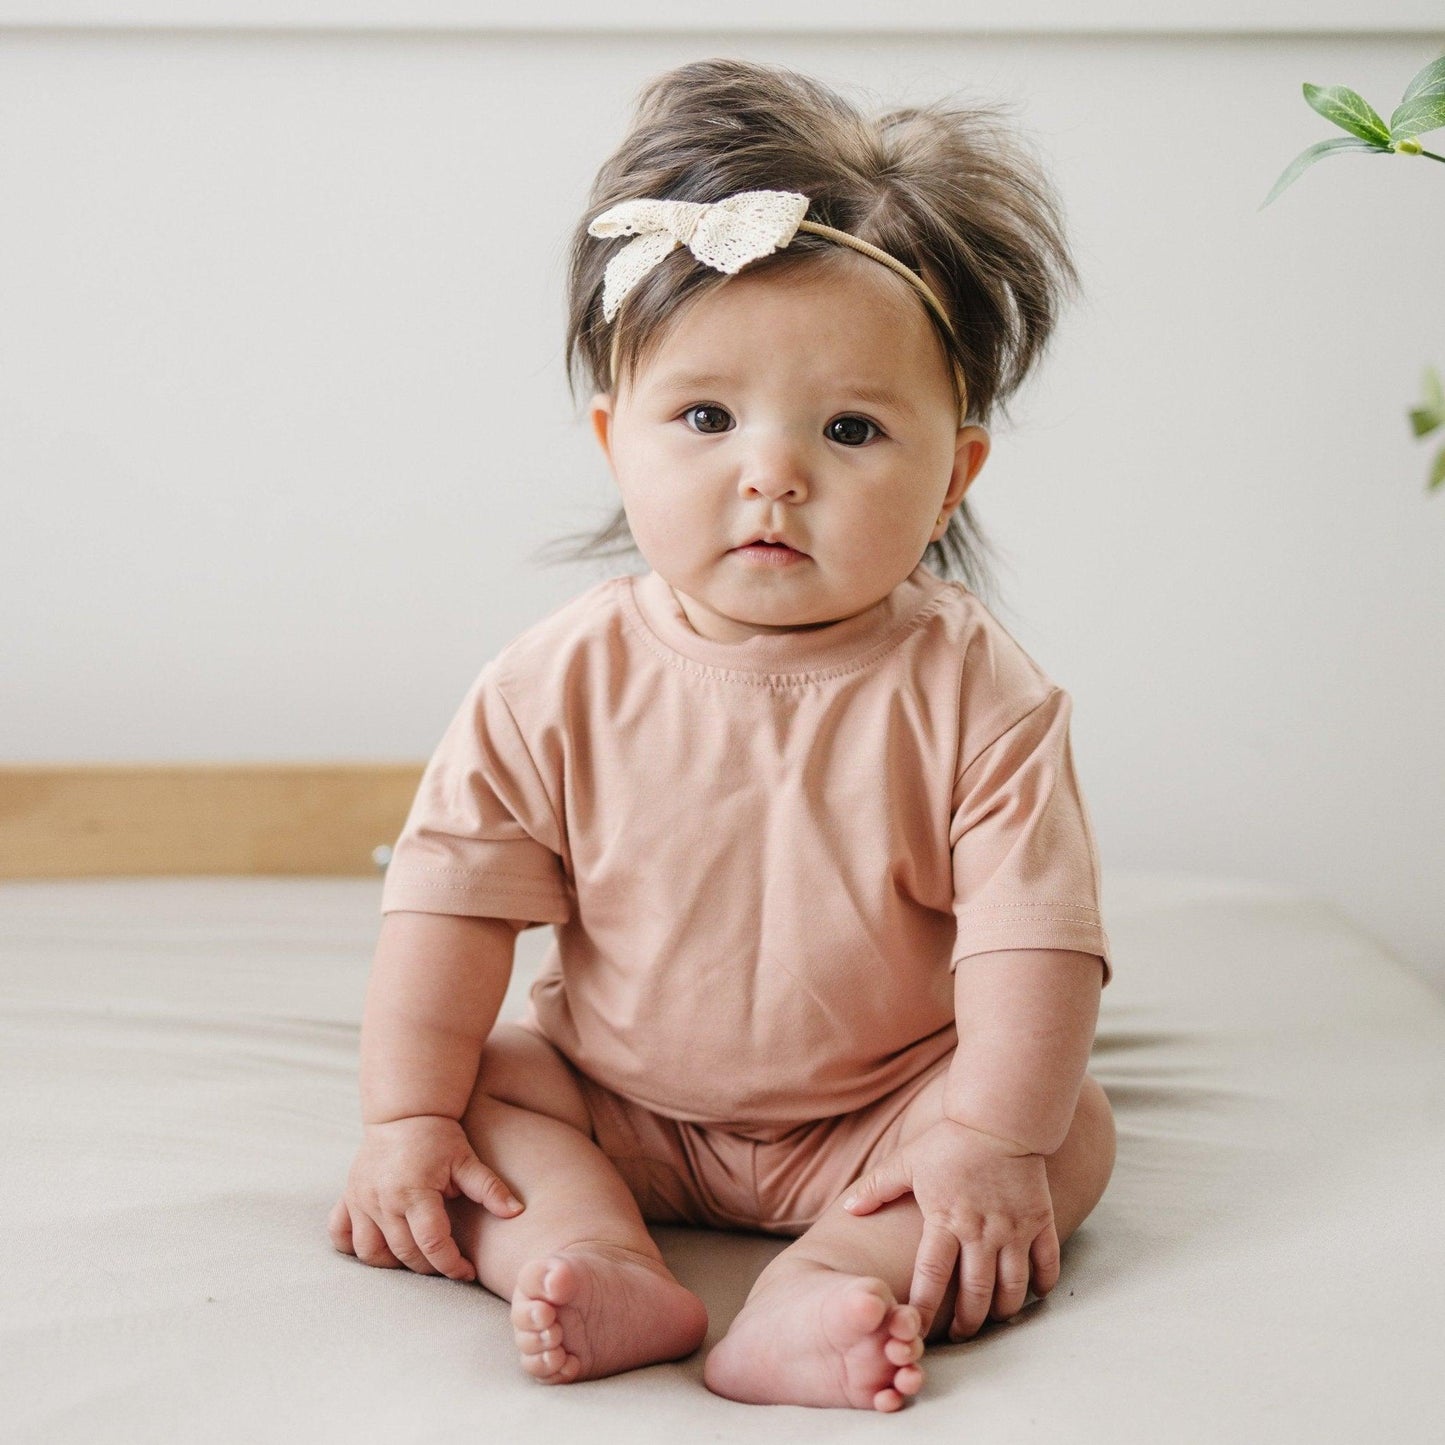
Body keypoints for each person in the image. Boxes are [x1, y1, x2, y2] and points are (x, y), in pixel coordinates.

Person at [327, 56, 1117, 1413]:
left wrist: (984, 1137)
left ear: (951, 477)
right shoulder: (550, 683)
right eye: (703, 416)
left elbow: (1031, 944)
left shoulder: (978, 692)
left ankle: (824, 1284)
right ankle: (587, 1251)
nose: (772, 474)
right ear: (611, 438)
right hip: (619, 1107)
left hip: (878, 1113)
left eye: (852, 428)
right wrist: (400, 1121)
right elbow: (447, 918)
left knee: (1059, 1131)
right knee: (482, 1088)